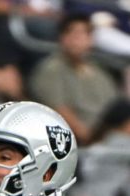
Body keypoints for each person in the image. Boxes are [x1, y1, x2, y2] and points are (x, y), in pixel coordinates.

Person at [29, 13, 119, 145]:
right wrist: (94, 141)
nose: (78, 39)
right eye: (73, 33)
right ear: (62, 37)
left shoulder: (100, 71)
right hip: (79, 144)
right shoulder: (51, 70)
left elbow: (115, 108)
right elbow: (60, 111)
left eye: (84, 34)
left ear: (91, 39)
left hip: (113, 139)